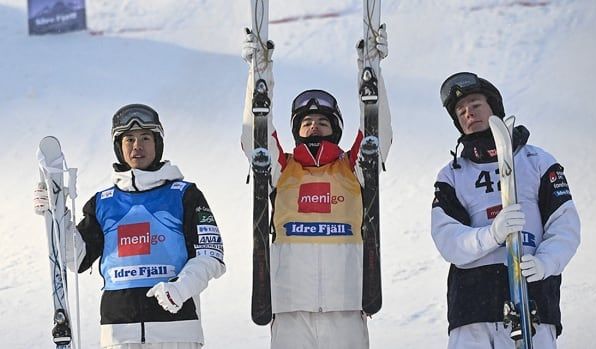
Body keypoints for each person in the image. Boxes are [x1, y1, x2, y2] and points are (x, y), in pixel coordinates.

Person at [240, 27, 392, 349]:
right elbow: (255, 137)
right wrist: (259, 72)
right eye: (307, 123)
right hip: (290, 306)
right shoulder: (282, 169)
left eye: (323, 122)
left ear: (335, 130)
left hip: (347, 305)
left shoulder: (353, 167)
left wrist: (371, 69)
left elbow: (378, 132)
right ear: (297, 131)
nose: (314, 127)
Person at [34, 104, 226, 349]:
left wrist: (181, 287)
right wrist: (56, 214)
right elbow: (77, 258)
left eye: (146, 138)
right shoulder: (103, 202)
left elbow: (211, 255)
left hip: (177, 331)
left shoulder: (184, 195)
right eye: (129, 139)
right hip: (118, 333)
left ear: (157, 144)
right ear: (119, 147)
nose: (137, 146)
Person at [431, 72, 581, 348]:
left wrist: (546, 263)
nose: (468, 114)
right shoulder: (451, 175)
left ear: (495, 108)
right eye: (461, 111)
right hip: (472, 310)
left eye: (475, 105)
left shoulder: (538, 160)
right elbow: (447, 240)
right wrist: (492, 234)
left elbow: (565, 226)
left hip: (535, 301)